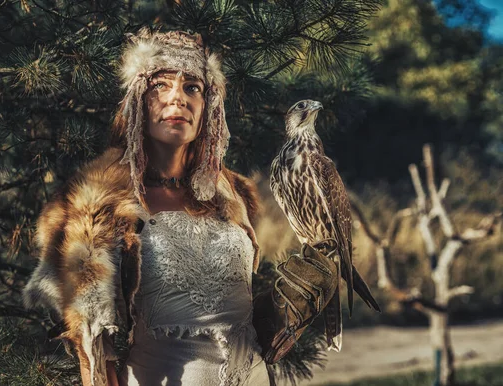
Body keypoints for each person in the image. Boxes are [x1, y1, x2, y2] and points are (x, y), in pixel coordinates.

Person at [23, 28, 339, 386]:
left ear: (208, 107)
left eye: (193, 87)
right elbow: (93, 350)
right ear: (138, 99)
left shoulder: (232, 195)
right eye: (160, 85)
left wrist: (282, 314)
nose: (178, 98)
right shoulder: (93, 204)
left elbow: (235, 315)